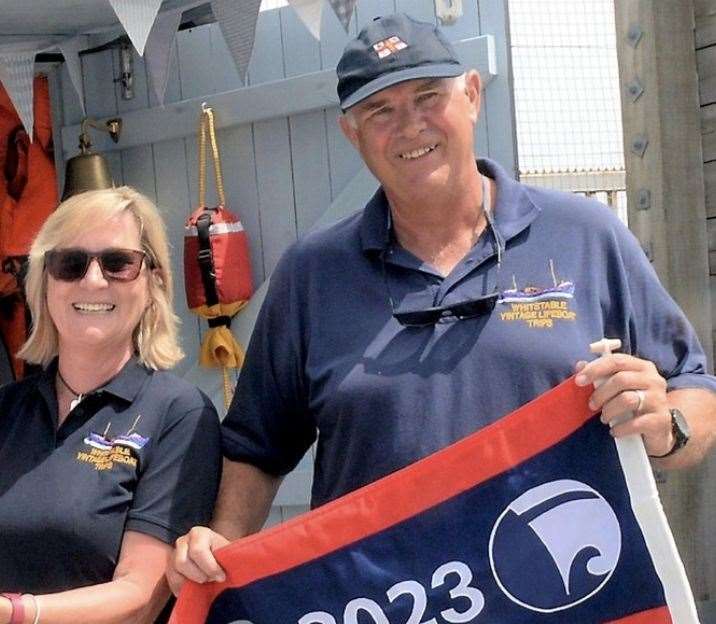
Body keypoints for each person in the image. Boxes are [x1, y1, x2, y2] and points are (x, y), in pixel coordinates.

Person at [168, 13, 716, 590]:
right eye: (380, 110)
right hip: (380, 601)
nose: (409, 126)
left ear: (473, 96)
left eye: (428, 97)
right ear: (351, 134)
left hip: (560, 596)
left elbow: (695, 389)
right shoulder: (311, 274)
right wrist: (221, 550)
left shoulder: (586, 234)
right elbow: (257, 447)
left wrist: (668, 426)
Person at [0, 186, 222, 623]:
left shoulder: (177, 413)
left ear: (153, 282)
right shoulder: (7, 410)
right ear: (44, 283)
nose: (94, 280)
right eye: (70, 264)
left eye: (118, 263)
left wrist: (16, 613)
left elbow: (139, 599)